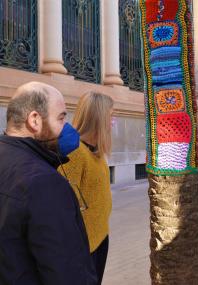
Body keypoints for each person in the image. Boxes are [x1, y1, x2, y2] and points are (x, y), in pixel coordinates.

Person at [0, 82, 97, 284]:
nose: (66, 128)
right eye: (61, 118)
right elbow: (67, 273)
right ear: (35, 120)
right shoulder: (45, 184)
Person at [59, 91, 114, 284]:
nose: (112, 122)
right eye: (110, 116)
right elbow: (64, 208)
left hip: (99, 237)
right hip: (83, 248)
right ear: (98, 119)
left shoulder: (96, 152)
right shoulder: (75, 154)